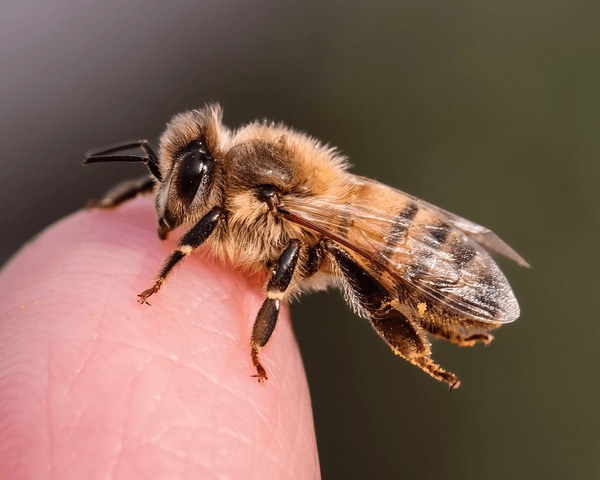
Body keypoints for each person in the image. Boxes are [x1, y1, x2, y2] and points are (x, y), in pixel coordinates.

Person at [0, 198, 320, 479]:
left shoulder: (261, 202)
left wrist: (161, 278)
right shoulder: (226, 189)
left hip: (334, 238)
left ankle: (255, 344)